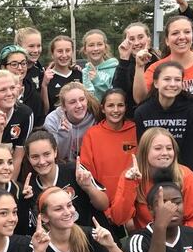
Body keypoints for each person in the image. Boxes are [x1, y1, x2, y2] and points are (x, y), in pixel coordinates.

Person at [110, 127, 193, 232]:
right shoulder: (131, 176)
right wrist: (130, 184)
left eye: (169, 148)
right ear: (145, 151)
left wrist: (179, 242)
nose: (165, 153)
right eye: (158, 148)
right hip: (147, 240)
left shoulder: (186, 175)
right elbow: (119, 219)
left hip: (180, 239)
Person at [24, 130, 108, 228]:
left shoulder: (74, 171)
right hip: (63, 242)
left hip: (96, 237)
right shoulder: (30, 189)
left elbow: (104, 205)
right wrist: (25, 203)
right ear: (28, 158)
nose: (42, 161)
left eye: (47, 154)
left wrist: (89, 187)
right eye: (35, 157)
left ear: (55, 152)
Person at [80, 89, 138, 227]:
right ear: (103, 109)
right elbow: (87, 170)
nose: (116, 110)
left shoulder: (135, 130)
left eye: (120, 105)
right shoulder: (92, 134)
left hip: (132, 206)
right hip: (102, 206)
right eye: (111, 105)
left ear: (126, 107)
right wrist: (105, 207)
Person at [134, 61, 193, 171]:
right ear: (156, 83)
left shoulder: (190, 109)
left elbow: (190, 150)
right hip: (152, 172)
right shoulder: (142, 112)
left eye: (177, 80)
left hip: (181, 171)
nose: (172, 84)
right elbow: (143, 150)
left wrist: (187, 177)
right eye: (167, 79)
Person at [134, 16, 193, 103]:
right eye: (175, 33)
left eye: (187, 32)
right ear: (167, 40)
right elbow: (140, 99)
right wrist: (139, 66)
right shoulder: (157, 68)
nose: (182, 37)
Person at [0, 44, 44, 127]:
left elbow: (38, 125)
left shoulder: (33, 94)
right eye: (14, 64)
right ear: (3, 67)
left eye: (23, 63)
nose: (20, 68)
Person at [43, 82, 101, 163]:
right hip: (63, 165)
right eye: (72, 102)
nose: (79, 105)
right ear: (64, 107)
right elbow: (55, 158)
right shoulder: (52, 121)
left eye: (82, 99)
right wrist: (64, 135)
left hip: (89, 165)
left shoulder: (95, 115)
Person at [111, 23, 161, 117]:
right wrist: (123, 59)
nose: (137, 43)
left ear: (148, 39)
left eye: (140, 37)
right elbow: (118, 93)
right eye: (132, 39)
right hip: (132, 118)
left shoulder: (159, 62)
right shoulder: (124, 64)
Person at [41, 36, 83, 114]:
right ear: (52, 54)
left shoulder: (79, 74)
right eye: (60, 51)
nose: (64, 55)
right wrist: (44, 85)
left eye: (67, 50)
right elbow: (45, 110)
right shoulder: (46, 77)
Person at [81, 29, 118, 100]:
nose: (96, 48)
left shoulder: (115, 69)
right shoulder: (83, 72)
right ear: (85, 50)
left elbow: (116, 95)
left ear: (105, 48)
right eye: (91, 45)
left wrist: (97, 80)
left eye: (99, 44)